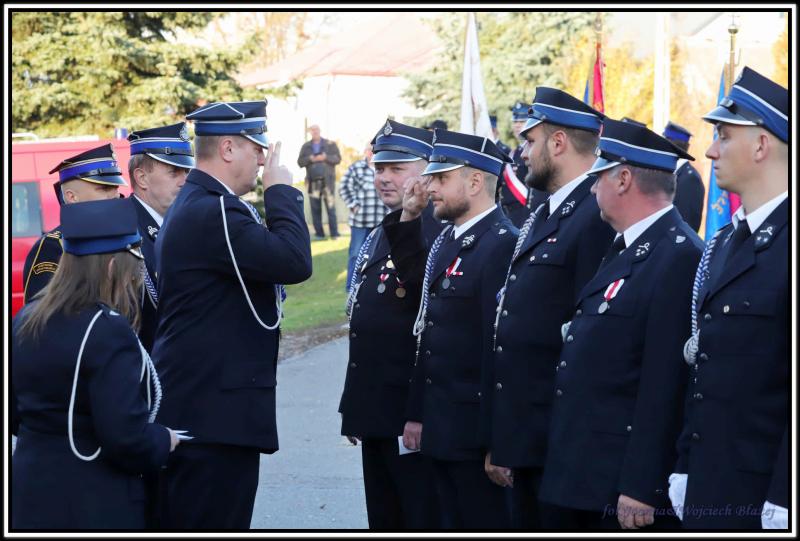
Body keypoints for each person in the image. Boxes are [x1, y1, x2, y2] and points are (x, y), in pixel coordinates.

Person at [152, 100, 312, 529]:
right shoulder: (216, 210)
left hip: (204, 409)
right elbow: (295, 262)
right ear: (227, 148)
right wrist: (280, 192)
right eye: (256, 148)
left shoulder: (201, 203)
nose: (263, 160)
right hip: (213, 416)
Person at [537, 118, 702, 530]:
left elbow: (664, 383)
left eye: (599, 178)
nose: (593, 189)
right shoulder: (627, 247)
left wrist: (643, 484)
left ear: (624, 179)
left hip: (619, 484)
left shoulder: (678, 256)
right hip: (584, 467)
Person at [487, 87, 614, 529]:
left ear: (558, 143)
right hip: (528, 433)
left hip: (558, 441)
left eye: (529, 140)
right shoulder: (549, 210)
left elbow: (588, 340)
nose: (522, 153)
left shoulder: (594, 215)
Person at [12, 198, 179, 529]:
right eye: (134, 270)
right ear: (113, 268)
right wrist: (164, 439)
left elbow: (14, 415)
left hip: (30, 491)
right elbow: (126, 438)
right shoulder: (107, 330)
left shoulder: (25, 319)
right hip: (92, 498)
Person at [669, 67, 788, 530]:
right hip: (710, 484)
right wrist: (685, 462)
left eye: (723, 136)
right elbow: (704, 365)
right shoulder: (724, 243)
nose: (710, 150)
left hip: (762, 498)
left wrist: (786, 493)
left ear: (761, 146)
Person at [399, 128, 517, 529]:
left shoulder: (501, 244)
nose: (430, 187)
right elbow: (428, 336)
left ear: (475, 181)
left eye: (441, 178)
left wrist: (496, 441)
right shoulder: (449, 240)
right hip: (442, 428)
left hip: (472, 434)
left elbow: (498, 350)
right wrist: (417, 413)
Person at [338, 119, 443, 529]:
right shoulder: (385, 229)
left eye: (397, 168)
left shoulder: (433, 228)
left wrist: (419, 412)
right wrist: (355, 406)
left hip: (409, 412)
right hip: (377, 410)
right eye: (379, 168)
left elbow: (432, 327)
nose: (384, 177)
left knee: (416, 516)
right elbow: (365, 326)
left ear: (426, 172)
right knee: (383, 517)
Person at [22, 144, 127, 303]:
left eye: (115, 187)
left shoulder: (124, 236)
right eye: (105, 188)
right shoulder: (53, 246)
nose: (115, 195)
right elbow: (42, 311)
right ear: (72, 197)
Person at [127, 122, 195, 352]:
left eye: (186, 171)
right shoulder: (125, 229)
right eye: (174, 172)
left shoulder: (182, 223)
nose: (184, 181)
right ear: (142, 178)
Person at [338, 144, 387, 292]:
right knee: (356, 254)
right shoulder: (356, 168)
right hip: (360, 221)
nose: (372, 153)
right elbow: (343, 187)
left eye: (375, 150)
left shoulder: (385, 168)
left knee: (378, 255)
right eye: (369, 150)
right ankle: (351, 288)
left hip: (381, 221)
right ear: (365, 152)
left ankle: (371, 287)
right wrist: (353, 205)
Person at [297, 124, 342, 240]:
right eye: (312, 130)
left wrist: (325, 157)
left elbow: (338, 158)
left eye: (316, 129)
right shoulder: (306, 146)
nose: (315, 132)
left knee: (331, 207)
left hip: (328, 181)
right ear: (310, 132)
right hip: (313, 182)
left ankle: (334, 234)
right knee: (315, 209)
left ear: (320, 130)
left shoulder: (330, 144)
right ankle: (319, 234)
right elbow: (300, 162)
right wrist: (310, 159)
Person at [662, 121, 706, 233]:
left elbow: (687, 224)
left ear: (674, 145)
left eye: (666, 140)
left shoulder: (690, 179)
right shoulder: (673, 173)